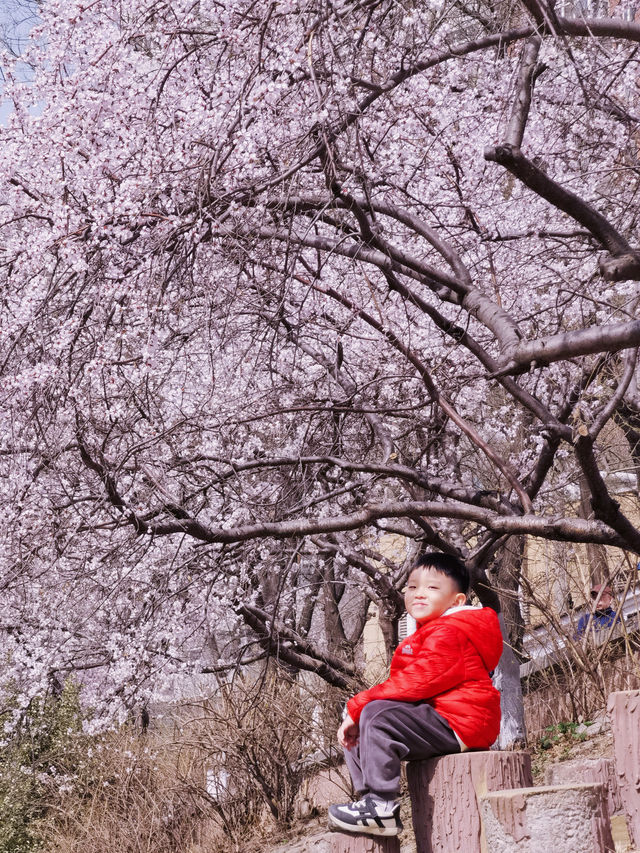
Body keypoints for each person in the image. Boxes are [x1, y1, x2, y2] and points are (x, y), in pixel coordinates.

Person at [328, 552, 503, 837]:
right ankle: (370, 802)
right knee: (366, 720)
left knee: (375, 714)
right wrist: (358, 716)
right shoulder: (427, 633)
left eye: (432, 588)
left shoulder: (451, 633)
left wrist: (358, 705)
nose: (419, 594)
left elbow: (416, 683)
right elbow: (407, 689)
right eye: (412, 587)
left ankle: (381, 805)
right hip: (443, 718)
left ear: (457, 600)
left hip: (460, 723)